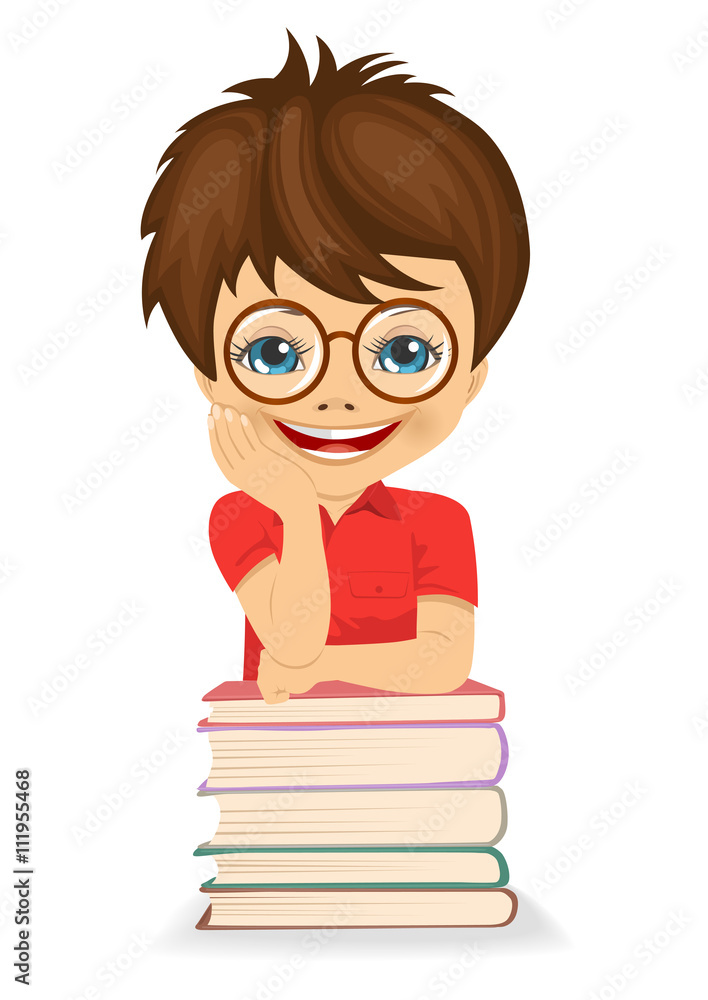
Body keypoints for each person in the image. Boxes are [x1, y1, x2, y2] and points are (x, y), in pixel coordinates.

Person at [141, 33, 529, 702]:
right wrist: (293, 504)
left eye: (405, 351)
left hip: (422, 773)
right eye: (277, 353)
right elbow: (293, 638)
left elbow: (441, 665)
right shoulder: (242, 517)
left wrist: (315, 673)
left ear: (470, 378)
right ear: (209, 376)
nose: (339, 397)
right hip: (280, 773)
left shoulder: (438, 522)